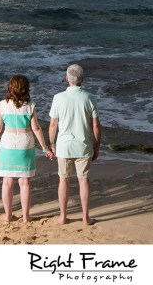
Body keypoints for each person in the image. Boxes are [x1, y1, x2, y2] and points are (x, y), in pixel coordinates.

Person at [0, 75, 53, 223]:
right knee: (24, 182)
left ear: (10, 88)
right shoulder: (30, 106)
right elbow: (36, 128)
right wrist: (45, 148)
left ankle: (8, 215)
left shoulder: (2, 105)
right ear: (26, 89)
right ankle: (25, 217)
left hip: (7, 144)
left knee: (7, 182)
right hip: (25, 143)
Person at [49, 64, 100, 226]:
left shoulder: (58, 98)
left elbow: (52, 125)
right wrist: (97, 146)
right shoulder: (89, 98)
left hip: (64, 145)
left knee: (63, 180)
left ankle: (63, 216)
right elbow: (96, 126)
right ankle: (85, 217)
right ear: (82, 80)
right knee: (83, 180)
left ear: (66, 79)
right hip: (83, 145)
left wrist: (51, 143)